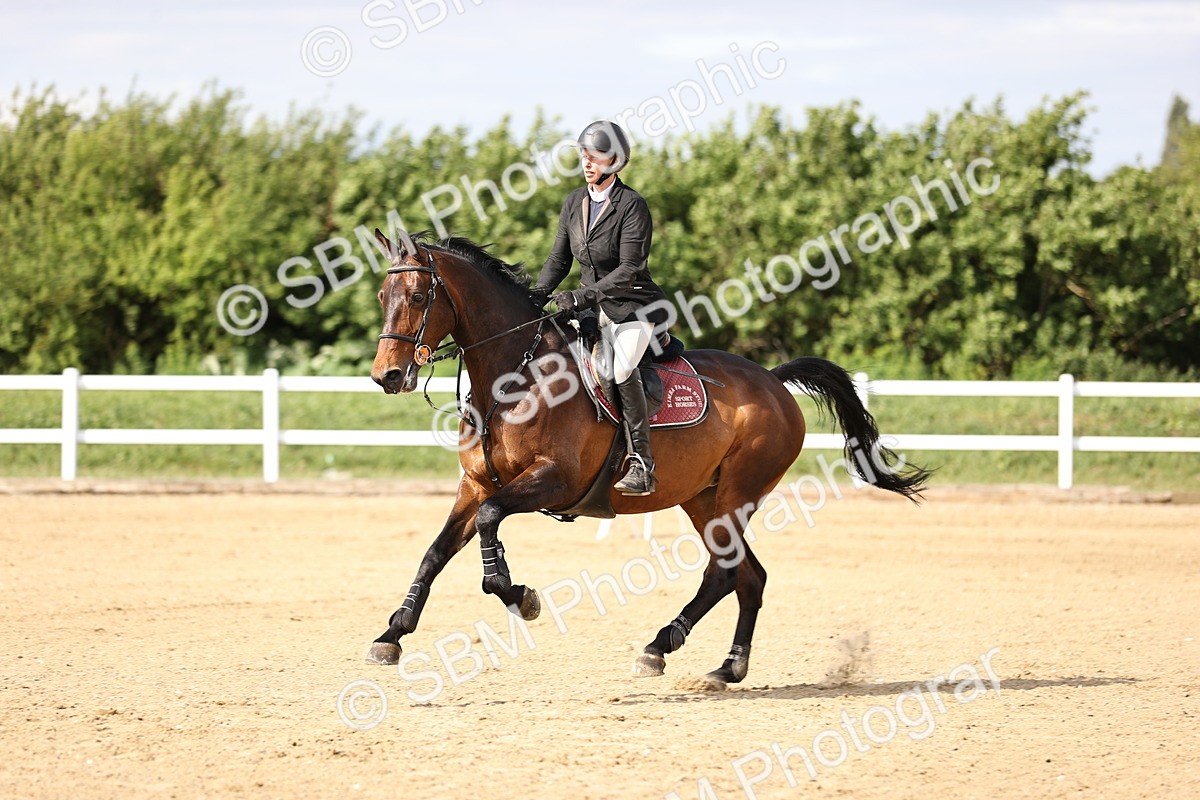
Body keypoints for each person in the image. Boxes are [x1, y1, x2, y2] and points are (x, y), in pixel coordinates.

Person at [532, 121, 669, 496]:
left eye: (595, 156)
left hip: (633, 307)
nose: (587, 162)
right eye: (583, 155)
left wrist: (580, 298)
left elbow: (629, 269)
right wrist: (534, 295)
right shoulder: (574, 201)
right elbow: (558, 261)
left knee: (620, 366)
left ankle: (642, 463)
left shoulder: (632, 205)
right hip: (591, 309)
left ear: (615, 160)